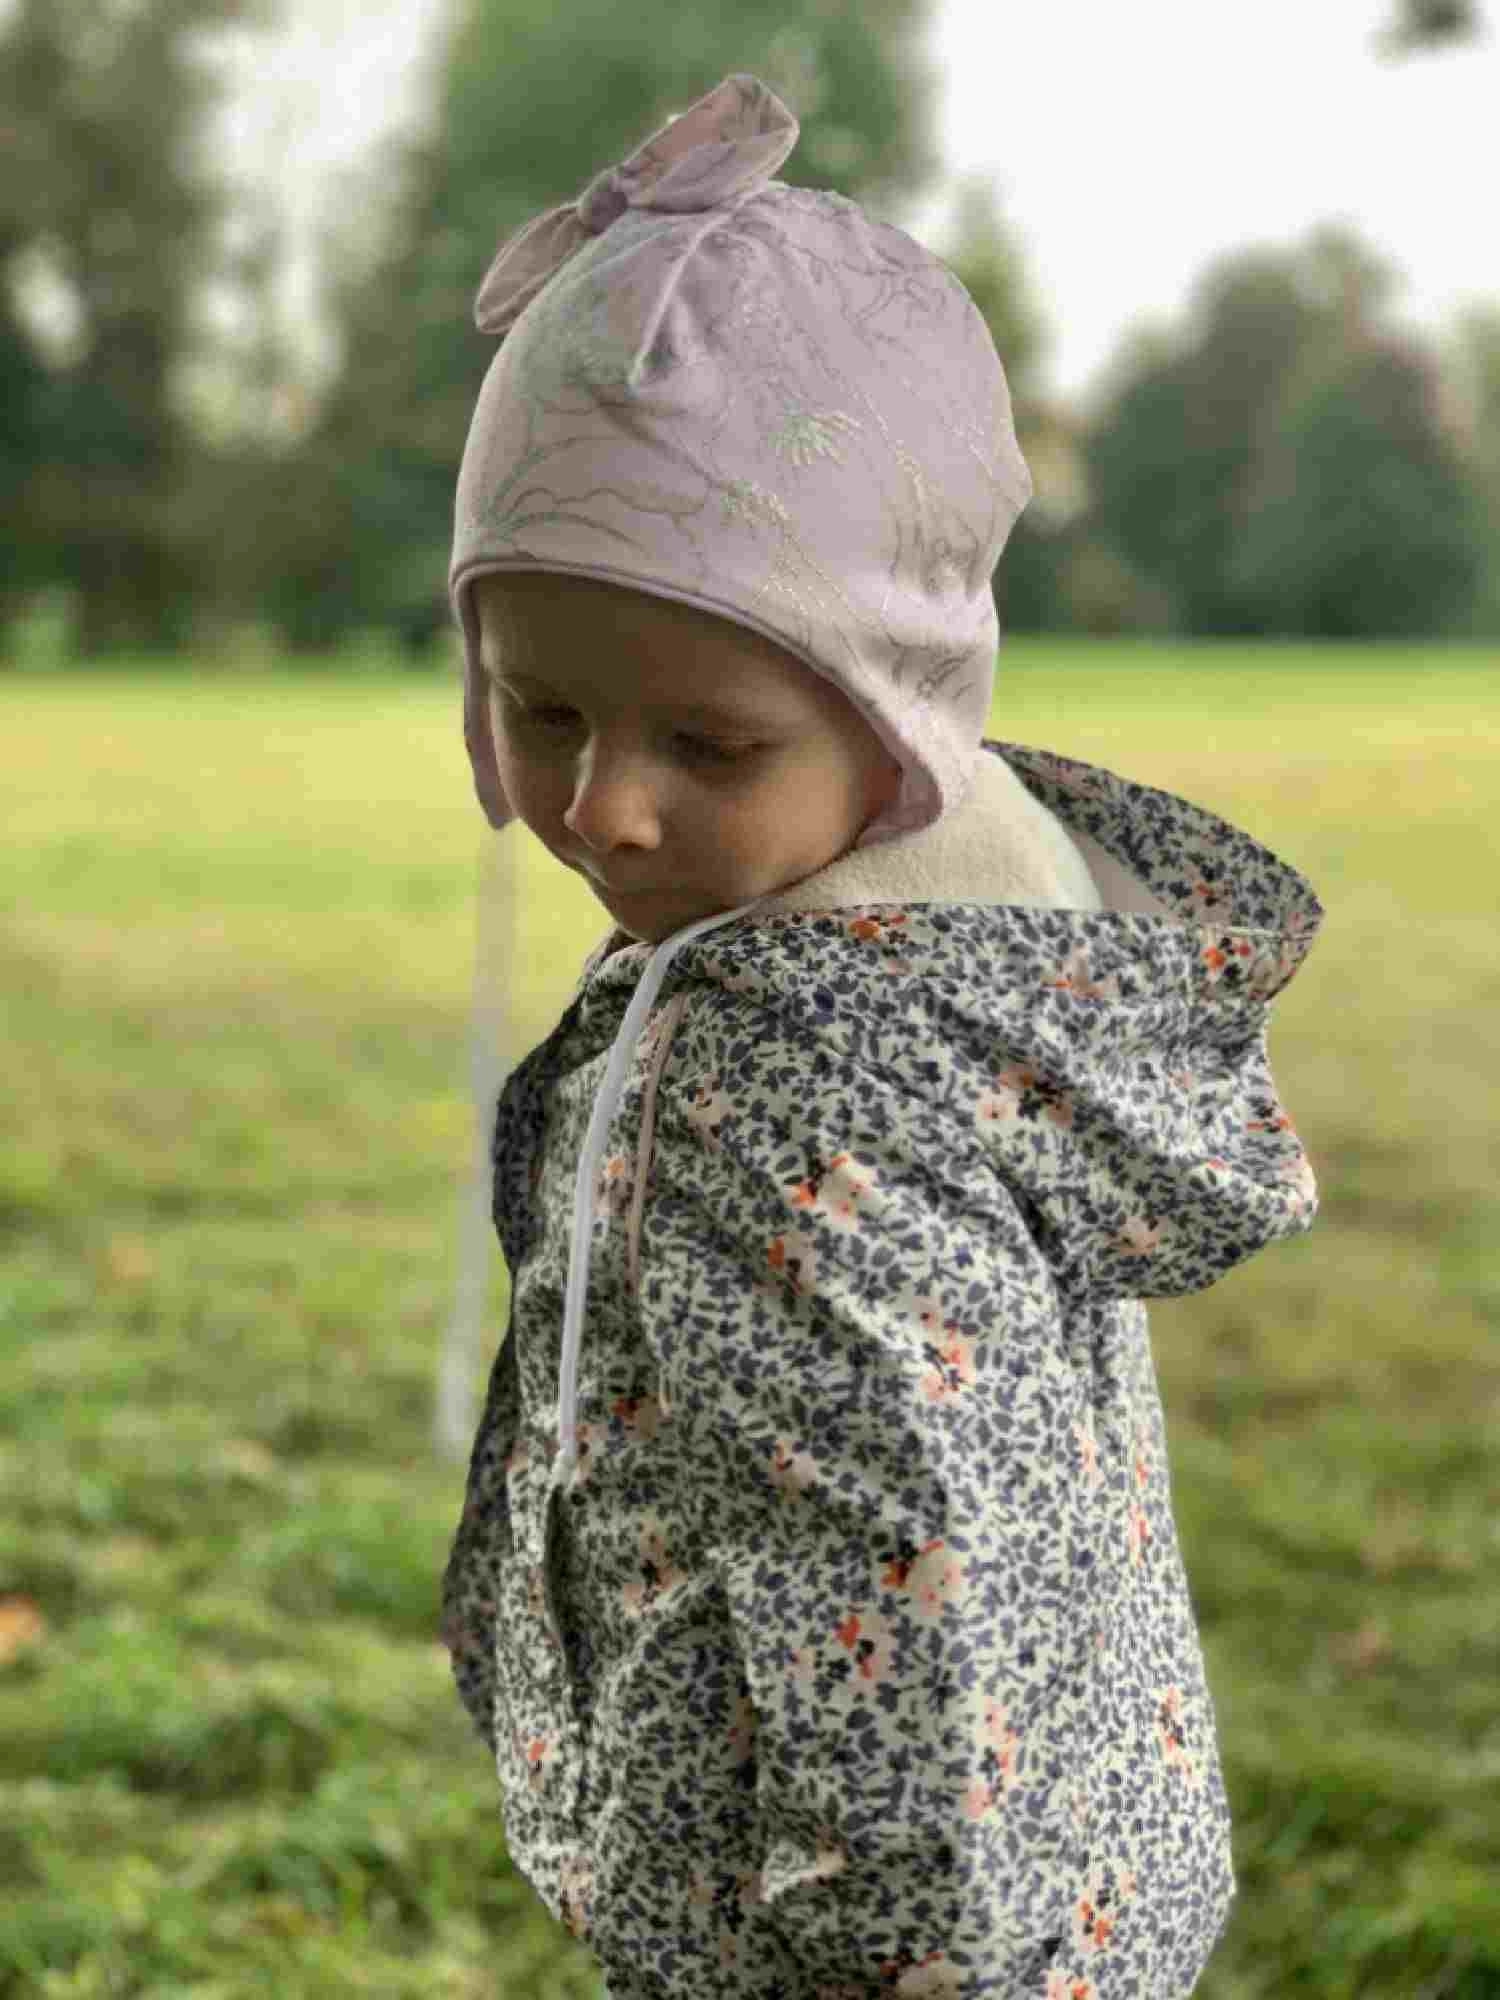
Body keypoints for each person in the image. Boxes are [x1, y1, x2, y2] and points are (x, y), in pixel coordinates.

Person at [440, 73, 1323, 2000]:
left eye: (710, 740)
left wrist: (887, 1957)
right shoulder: (985, 954)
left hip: (853, 1944)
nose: (606, 810)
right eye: (542, 707)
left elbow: (900, 1562)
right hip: (1083, 1872)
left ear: (897, 708)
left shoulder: (794, 1084)